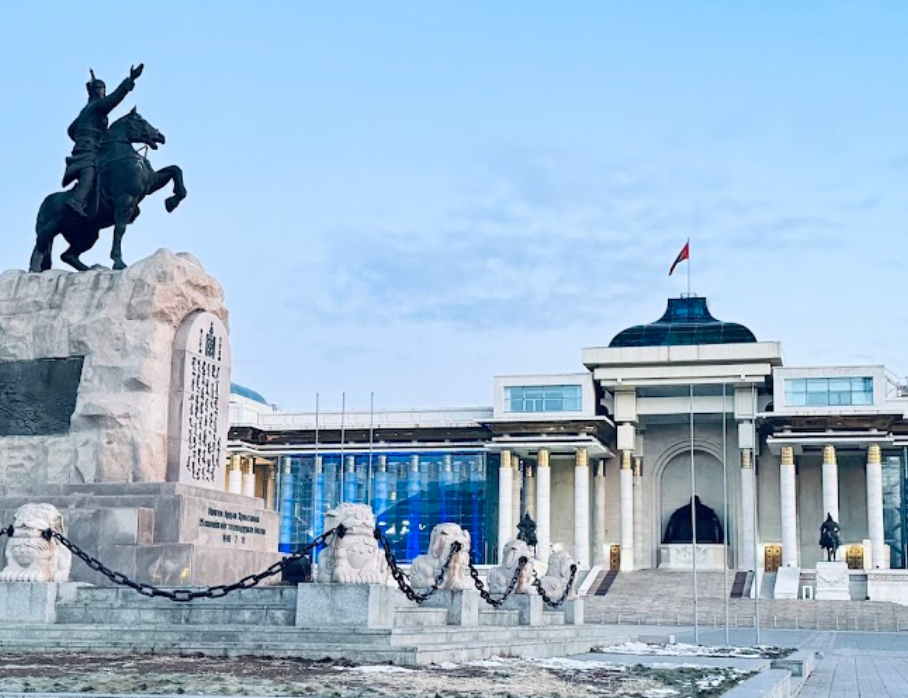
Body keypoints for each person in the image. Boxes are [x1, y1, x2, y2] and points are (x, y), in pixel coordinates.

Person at [63, 64, 144, 217]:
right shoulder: (95, 107)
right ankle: (76, 201)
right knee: (89, 172)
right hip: (88, 150)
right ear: (97, 91)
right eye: (102, 90)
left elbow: (71, 130)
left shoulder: (87, 110)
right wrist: (130, 80)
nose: (104, 93)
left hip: (93, 147)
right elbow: (114, 99)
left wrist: (88, 137)